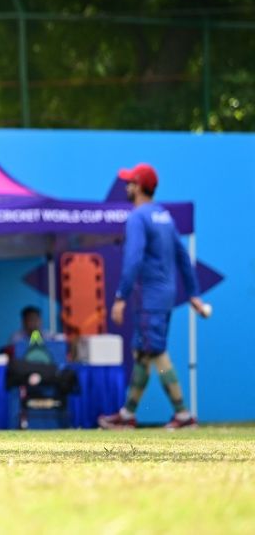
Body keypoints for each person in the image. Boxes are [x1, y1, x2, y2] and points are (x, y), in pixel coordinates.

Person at [99, 163, 205, 431]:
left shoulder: (138, 217)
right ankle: (127, 415)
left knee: (156, 352)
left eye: (129, 182)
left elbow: (133, 258)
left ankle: (183, 415)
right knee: (143, 353)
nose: (126, 187)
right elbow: (183, 257)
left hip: (150, 298)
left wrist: (121, 296)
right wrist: (193, 293)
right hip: (164, 296)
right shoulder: (164, 217)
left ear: (138, 187)